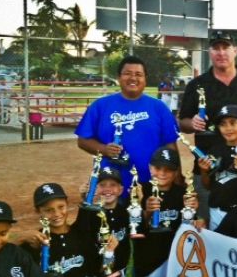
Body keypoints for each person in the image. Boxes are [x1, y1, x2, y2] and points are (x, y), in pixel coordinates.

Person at [76, 55, 179, 192]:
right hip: (112, 186)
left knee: (150, 213)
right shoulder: (100, 106)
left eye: (138, 74)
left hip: (153, 183)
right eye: (127, 74)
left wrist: (178, 176)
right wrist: (104, 149)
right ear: (119, 77)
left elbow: (170, 144)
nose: (133, 78)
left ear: (145, 79)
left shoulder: (158, 107)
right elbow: (83, 140)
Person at [134, 147, 200, 277]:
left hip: (173, 263)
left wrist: (194, 212)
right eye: (158, 168)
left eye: (168, 169)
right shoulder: (139, 192)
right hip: (146, 266)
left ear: (176, 171)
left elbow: (191, 232)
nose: (162, 173)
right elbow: (134, 234)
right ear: (150, 168)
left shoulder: (182, 193)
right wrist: (146, 213)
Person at [178, 31, 237, 150]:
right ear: (210, 52)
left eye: (225, 48)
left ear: (235, 51)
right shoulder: (196, 85)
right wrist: (192, 123)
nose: (221, 53)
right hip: (208, 160)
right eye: (216, 48)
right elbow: (182, 121)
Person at [72, 167, 130, 277]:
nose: (107, 189)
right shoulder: (89, 214)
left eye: (113, 185)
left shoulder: (125, 212)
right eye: (102, 184)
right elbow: (77, 232)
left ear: (120, 190)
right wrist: (85, 201)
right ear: (94, 189)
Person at [197, 104, 237, 230]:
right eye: (223, 124)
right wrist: (204, 171)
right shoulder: (215, 150)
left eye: (233, 123)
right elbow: (207, 185)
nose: (228, 128)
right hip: (218, 211)